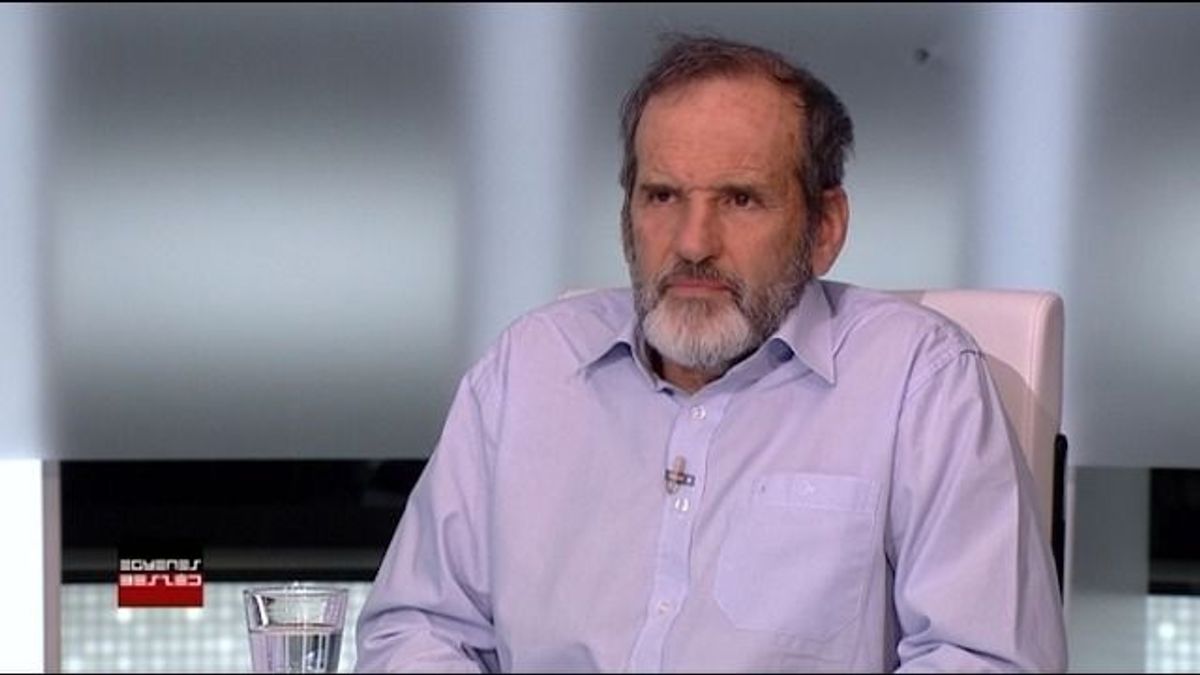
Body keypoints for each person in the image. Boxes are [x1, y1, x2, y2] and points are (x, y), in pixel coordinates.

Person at [355, 34, 1068, 672]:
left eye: (740, 199)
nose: (693, 242)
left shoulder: (919, 379)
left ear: (824, 226)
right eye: (663, 196)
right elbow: (418, 627)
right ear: (627, 215)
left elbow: (984, 659)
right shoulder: (528, 367)